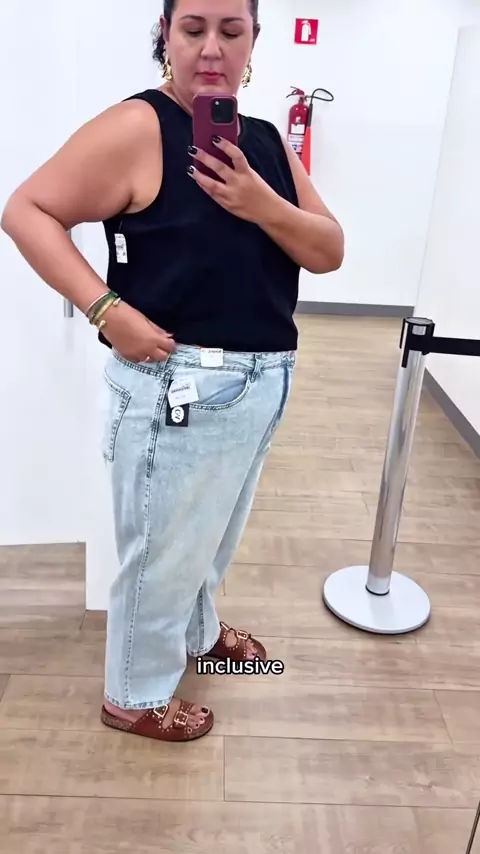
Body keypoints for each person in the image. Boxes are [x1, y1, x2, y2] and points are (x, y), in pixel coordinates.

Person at [1, 0, 344, 743]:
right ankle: (133, 695)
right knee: (162, 553)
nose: (212, 48)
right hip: (178, 385)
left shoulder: (262, 141)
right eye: (193, 29)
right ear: (166, 36)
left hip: (259, 382)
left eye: (231, 30)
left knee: (208, 539)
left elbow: (328, 249)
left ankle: (199, 633)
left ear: (255, 41)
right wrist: (105, 308)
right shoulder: (139, 126)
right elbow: (26, 210)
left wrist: (261, 203)